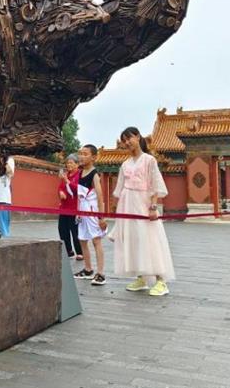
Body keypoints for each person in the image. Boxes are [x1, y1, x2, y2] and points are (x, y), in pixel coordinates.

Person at [113, 126, 175, 297]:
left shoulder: (149, 160)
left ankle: (161, 280)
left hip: (144, 205)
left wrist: (153, 207)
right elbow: (119, 189)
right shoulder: (125, 164)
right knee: (133, 240)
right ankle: (141, 278)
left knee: (150, 240)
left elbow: (155, 185)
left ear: (138, 137)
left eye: (129, 138)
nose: (127, 142)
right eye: (124, 140)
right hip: (127, 205)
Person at [73, 145, 108, 285]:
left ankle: (101, 273)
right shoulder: (80, 172)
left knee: (96, 241)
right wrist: (77, 211)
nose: (81, 156)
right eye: (80, 153)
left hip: (92, 210)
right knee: (82, 240)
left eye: (85, 154)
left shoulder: (94, 174)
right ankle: (88, 269)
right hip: (82, 211)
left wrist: (101, 217)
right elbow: (79, 195)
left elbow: (100, 196)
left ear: (93, 157)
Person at [57, 154, 83, 260]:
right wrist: (60, 192)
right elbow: (60, 187)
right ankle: (68, 250)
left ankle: (80, 252)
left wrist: (67, 181)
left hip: (75, 208)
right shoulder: (65, 175)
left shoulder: (80, 175)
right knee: (62, 230)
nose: (69, 165)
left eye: (71, 163)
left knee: (75, 231)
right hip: (64, 208)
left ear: (77, 164)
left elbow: (78, 189)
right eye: (67, 163)